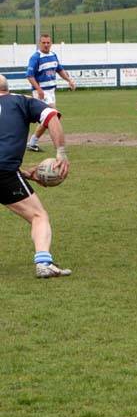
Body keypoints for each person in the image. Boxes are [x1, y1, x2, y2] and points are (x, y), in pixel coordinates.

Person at [0, 74, 71, 278]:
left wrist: (25, 174)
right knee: (38, 216)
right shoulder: (21, 101)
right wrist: (61, 153)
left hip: (6, 171)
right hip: (5, 174)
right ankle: (43, 263)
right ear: (8, 88)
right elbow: (51, 118)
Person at [26, 34, 76, 152]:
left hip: (51, 91)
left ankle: (32, 142)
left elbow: (59, 69)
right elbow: (29, 76)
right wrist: (39, 90)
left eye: (48, 42)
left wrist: (69, 80)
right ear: (40, 43)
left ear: (51, 43)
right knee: (53, 116)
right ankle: (60, 146)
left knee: (48, 118)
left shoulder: (53, 55)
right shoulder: (35, 57)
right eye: (44, 43)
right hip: (42, 93)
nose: (46, 45)